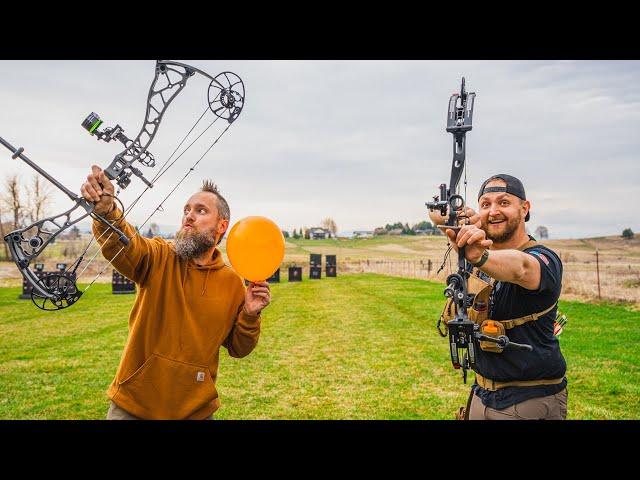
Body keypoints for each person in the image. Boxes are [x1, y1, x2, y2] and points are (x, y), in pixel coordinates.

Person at [80, 165, 271, 420]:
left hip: (195, 411)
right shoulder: (159, 256)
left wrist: (249, 313)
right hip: (134, 406)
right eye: (187, 210)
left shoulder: (232, 283)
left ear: (221, 225)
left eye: (200, 211)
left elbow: (239, 348)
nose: (189, 216)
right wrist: (107, 213)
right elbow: (126, 245)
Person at [445, 174, 568, 420]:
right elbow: (438, 216)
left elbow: (521, 268)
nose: (493, 211)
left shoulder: (544, 259)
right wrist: (453, 214)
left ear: (525, 208)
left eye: (504, 202)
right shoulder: (478, 257)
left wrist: (481, 256)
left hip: (528, 399)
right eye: (486, 204)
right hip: (481, 393)